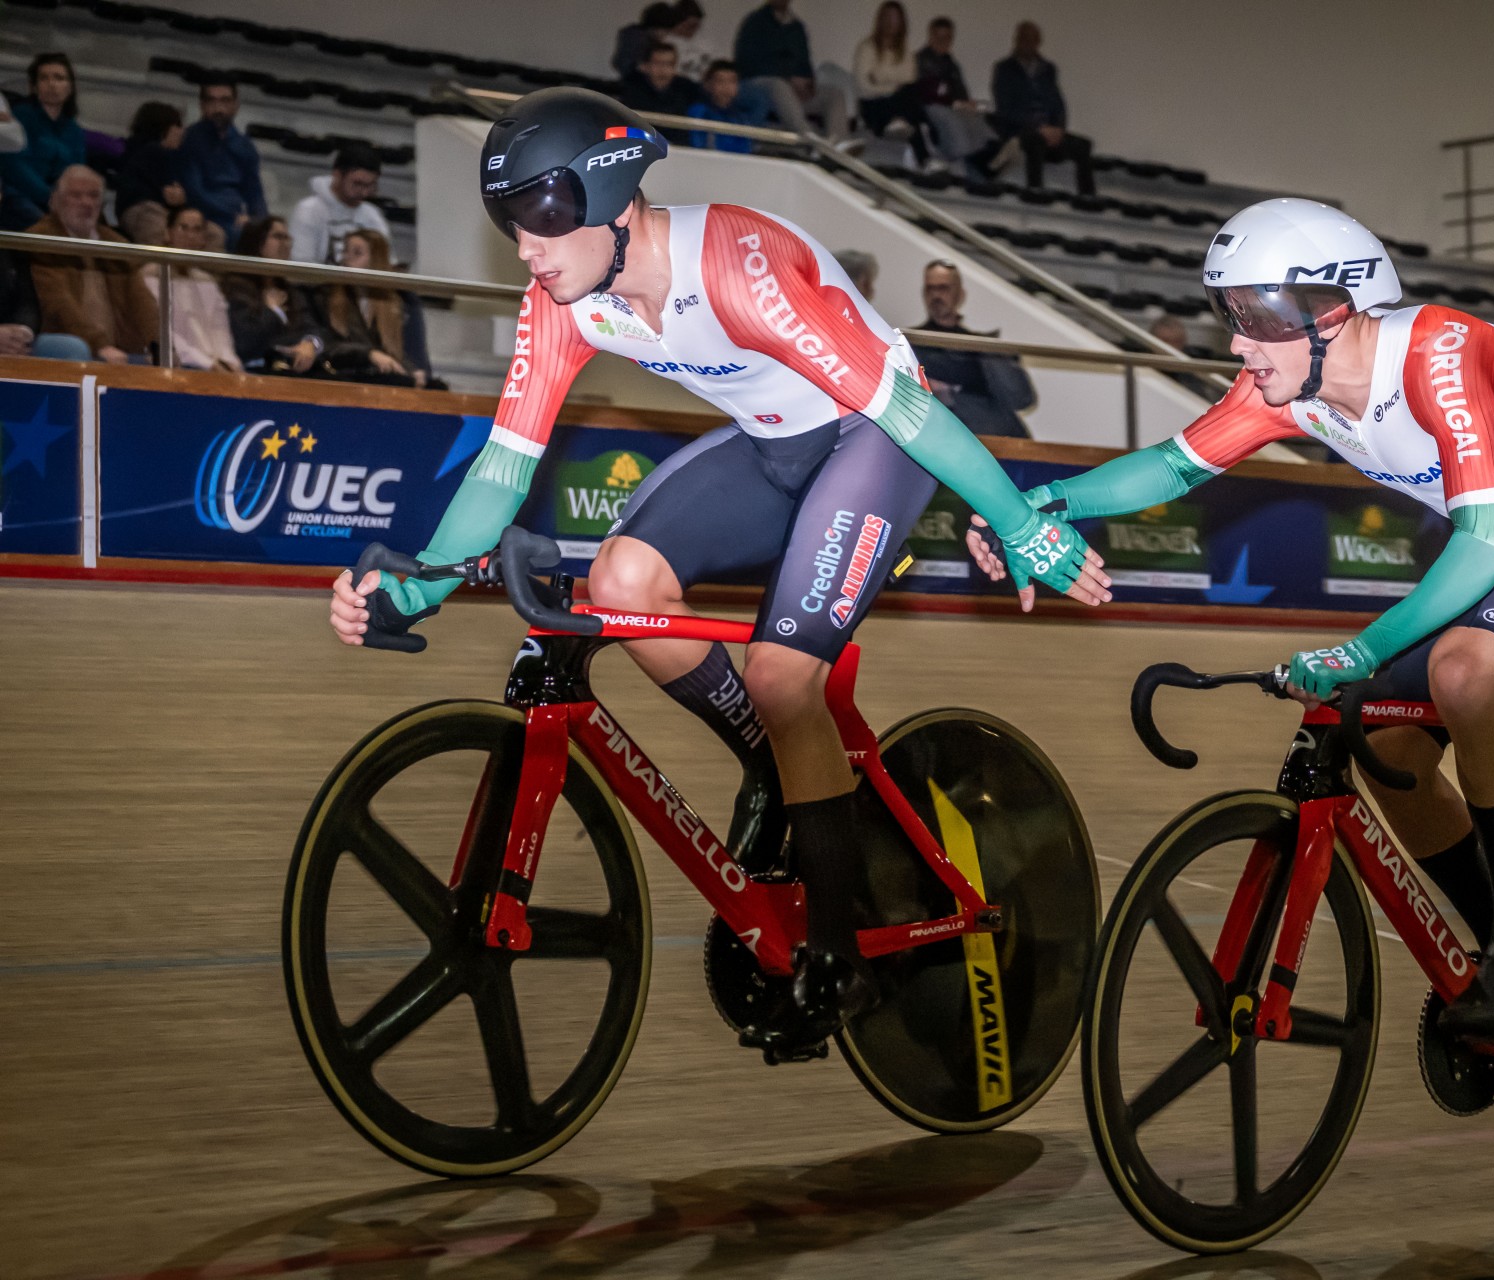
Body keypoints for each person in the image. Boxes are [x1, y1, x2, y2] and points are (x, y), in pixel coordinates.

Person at [325, 88, 1108, 1046]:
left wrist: (1021, 521)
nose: (524, 245)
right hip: (772, 442)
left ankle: (838, 950)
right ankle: (776, 769)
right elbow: (502, 466)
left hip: (875, 436)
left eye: (539, 213)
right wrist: (416, 585)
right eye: (508, 218)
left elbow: (905, 414)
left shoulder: (736, 266)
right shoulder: (562, 303)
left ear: (610, 195)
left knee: (784, 677)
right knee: (619, 587)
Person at [969, 199, 1494, 1039]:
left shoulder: (1440, 351)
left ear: (1338, 308)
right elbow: (1171, 468)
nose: (1236, 342)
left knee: (1464, 674)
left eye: (1257, 315)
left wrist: (1362, 647)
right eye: (1228, 313)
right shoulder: (1292, 385)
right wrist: (1038, 505)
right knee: (1384, 738)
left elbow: (1484, 542)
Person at [26, 165, 158, 364]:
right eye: (76, 195)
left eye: (94, 196)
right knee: (77, 350)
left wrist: (158, 346)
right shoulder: (42, 238)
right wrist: (99, 345)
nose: (86, 203)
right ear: (56, 202)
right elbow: (58, 303)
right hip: (67, 344)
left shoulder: (116, 244)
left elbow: (143, 302)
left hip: (120, 350)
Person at [917, 259, 1034, 437]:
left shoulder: (983, 346)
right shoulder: (910, 343)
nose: (936, 296)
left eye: (943, 288)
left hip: (991, 441)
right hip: (937, 438)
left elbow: (1022, 399)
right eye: (930, 289)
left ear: (960, 294)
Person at [989, 23, 1094, 196]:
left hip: (1048, 132)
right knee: (1035, 141)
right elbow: (1005, 110)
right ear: (1016, 40)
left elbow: (1058, 104)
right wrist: (1038, 128)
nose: (1027, 43)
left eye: (1032, 39)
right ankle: (1035, 191)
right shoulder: (1004, 69)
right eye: (1024, 38)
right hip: (1019, 132)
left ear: (1038, 42)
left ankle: (1088, 198)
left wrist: (1058, 129)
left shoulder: (1048, 69)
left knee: (1083, 146)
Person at [141, 205, 242, 372]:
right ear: (168, 233)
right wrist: (207, 364)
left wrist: (229, 362)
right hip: (182, 365)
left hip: (217, 368)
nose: (190, 236)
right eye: (183, 228)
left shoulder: (207, 281)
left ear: (203, 238)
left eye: (197, 230)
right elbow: (164, 333)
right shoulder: (151, 276)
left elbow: (221, 331)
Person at [223, 215, 328, 375]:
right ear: (257, 241)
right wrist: (273, 311)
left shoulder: (291, 290)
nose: (286, 244)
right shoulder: (235, 288)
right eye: (278, 237)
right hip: (256, 371)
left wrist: (310, 343)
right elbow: (244, 342)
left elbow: (312, 327)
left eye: (287, 238)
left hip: (296, 370)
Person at [733, 0, 851, 141]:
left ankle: (838, 146)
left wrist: (808, 85)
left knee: (834, 94)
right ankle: (811, 142)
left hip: (792, 91)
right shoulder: (754, 23)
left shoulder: (797, 27)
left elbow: (805, 64)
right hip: (762, 86)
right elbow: (747, 63)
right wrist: (789, 78)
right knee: (779, 85)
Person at [321, 229, 424, 387]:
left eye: (357, 253)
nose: (347, 259)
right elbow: (329, 344)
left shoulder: (390, 302)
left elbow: (392, 352)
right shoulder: (327, 295)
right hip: (345, 373)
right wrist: (369, 355)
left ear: (375, 261)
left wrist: (412, 370)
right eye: (345, 251)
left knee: (433, 386)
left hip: (375, 374)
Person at [178, 76, 267, 247]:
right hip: (203, 215)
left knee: (268, 236)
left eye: (225, 101)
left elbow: (255, 192)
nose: (218, 108)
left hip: (235, 218)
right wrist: (232, 214)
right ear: (202, 105)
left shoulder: (245, 146)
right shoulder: (189, 140)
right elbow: (194, 190)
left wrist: (257, 220)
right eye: (212, 101)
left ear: (235, 104)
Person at [0, 54, 87, 225]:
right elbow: (14, 166)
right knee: (48, 229)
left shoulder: (74, 130)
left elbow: (77, 171)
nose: (52, 84)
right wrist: (50, 196)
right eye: (44, 78)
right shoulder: (19, 117)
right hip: (18, 197)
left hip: (58, 201)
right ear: (34, 86)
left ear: (70, 87)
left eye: (59, 78)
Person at [915, 16, 998, 171]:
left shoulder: (952, 65)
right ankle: (964, 160)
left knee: (978, 120)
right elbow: (926, 93)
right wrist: (956, 103)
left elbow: (961, 91)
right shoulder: (920, 60)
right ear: (931, 36)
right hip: (932, 108)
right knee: (951, 119)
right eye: (939, 37)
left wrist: (967, 104)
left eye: (947, 37)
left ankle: (990, 156)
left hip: (954, 107)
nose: (943, 41)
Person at [853, 2, 930, 168]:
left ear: (902, 23)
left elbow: (910, 78)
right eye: (887, 17)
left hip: (899, 102)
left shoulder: (906, 52)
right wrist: (894, 86)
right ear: (880, 20)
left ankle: (902, 125)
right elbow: (864, 85)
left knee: (910, 90)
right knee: (907, 96)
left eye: (895, 18)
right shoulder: (867, 48)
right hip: (872, 105)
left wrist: (880, 76)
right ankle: (924, 158)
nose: (891, 22)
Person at [0, 224, 93, 362]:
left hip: (13, 338)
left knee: (72, 349)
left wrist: (23, 332)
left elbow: (28, 302)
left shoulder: (11, 241)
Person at [289, 145, 391, 265]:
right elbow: (301, 266)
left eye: (370, 185)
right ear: (337, 175)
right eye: (357, 184)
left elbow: (384, 264)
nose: (365, 192)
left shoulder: (373, 216)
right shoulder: (308, 210)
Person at [114, 102, 188, 227]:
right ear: (165, 128)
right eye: (178, 125)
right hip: (147, 210)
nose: (182, 131)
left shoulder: (131, 150)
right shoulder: (157, 153)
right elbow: (167, 192)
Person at [619, 41, 702, 139]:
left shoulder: (688, 90)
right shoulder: (632, 89)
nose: (663, 69)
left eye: (669, 64)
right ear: (645, 66)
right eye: (657, 63)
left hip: (678, 148)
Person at [687, 60, 755, 152]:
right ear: (708, 84)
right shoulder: (699, 112)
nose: (726, 87)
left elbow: (746, 148)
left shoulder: (741, 117)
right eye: (720, 81)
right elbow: (697, 145)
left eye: (732, 81)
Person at [1148, 312, 1215, 398]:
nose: (1172, 348)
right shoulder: (1140, 370)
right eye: (1165, 341)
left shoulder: (1194, 375)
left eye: (1177, 342)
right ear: (1152, 342)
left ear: (1184, 343)